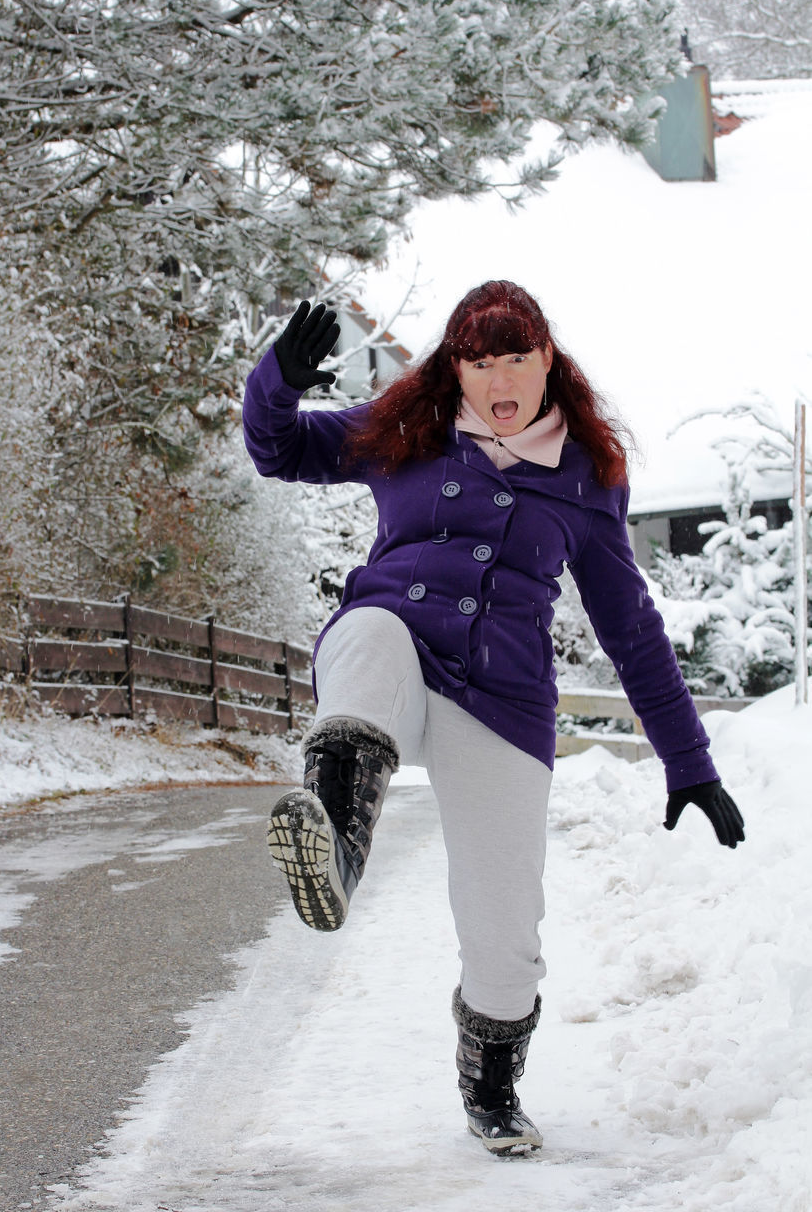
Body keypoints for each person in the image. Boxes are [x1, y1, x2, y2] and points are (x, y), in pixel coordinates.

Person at [241, 281, 744, 1156]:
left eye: (516, 357)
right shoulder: (404, 433)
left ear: (547, 359)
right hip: (394, 655)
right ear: (456, 369)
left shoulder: (586, 478)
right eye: (480, 361)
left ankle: (491, 1084)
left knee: (505, 931)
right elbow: (279, 448)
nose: (498, 376)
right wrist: (275, 380)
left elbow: (629, 628)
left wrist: (688, 760)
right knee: (363, 629)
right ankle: (339, 840)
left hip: (502, 703)